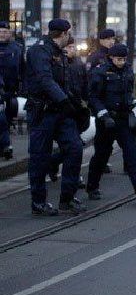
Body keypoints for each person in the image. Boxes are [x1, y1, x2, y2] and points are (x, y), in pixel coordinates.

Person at [25, 19, 86, 215]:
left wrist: (76, 105)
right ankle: (39, 202)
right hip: (42, 112)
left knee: (75, 148)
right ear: (64, 33)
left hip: (61, 111)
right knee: (39, 158)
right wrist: (63, 101)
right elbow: (45, 80)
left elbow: (64, 83)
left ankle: (67, 198)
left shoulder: (60, 53)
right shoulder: (39, 51)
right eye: (69, 33)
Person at [86, 44, 136, 204]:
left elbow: (129, 94)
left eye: (124, 59)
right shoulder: (100, 72)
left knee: (134, 154)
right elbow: (93, 97)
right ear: (111, 58)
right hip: (106, 121)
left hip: (123, 120)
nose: (122, 62)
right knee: (102, 155)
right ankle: (92, 186)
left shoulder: (127, 70)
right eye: (119, 59)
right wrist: (103, 115)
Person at [48, 37, 89, 187]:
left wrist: (86, 101)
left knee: (74, 145)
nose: (71, 50)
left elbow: (85, 85)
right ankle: (71, 175)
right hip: (63, 108)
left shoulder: (79, 64)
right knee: (72, 145)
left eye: (73, 47)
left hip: (76, 109)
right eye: (68, 47)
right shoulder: (58, 64)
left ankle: (55, 163)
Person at [86, 28, 116, 174]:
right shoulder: (96, 57)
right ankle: (99, 161)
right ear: (101, 40)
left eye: (113, 39)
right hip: (98, 101)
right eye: (108, 39)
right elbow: (89, 80)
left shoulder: (114, 56)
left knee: (108, 136)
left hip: (112, 101)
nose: (111, 42)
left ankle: (103, 159)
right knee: (101, 135)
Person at [0, 21, 24, 160]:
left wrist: (22, 87)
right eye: (1, 32)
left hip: (11, 90)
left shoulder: (16, 48)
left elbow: (22, 68)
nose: (3, 34)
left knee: (7, 118)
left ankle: (4, 146)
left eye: (5, 32)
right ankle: (5, 146)